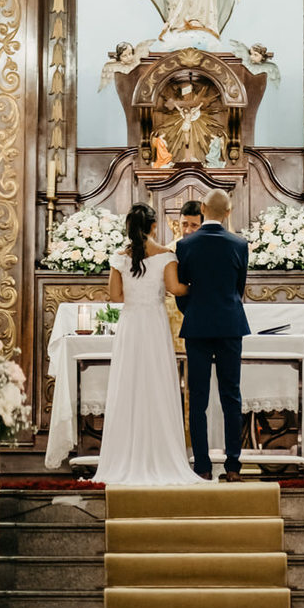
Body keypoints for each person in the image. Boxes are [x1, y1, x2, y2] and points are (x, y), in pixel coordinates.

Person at [92, 203, 200, 486]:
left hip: (131, 325)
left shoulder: (119, 258)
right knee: (156, 383)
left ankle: (125, 454)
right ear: (154, 226)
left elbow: (115, 297)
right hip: (154, 324)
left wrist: (136, 294)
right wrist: (199, 285)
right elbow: (176, 289)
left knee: (128, 384)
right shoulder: (166, 255)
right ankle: (161, 453)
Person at [175, 189, 250, 481]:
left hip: (198, 326)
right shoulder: (239, 244)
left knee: (198, 398)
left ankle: (202, 466)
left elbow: (182, 289)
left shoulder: (185, 244)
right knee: (231, 395)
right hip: (231, 324)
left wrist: (194, 310)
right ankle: (233, 466)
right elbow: (239, 287)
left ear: (203, 208)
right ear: (228, 213)